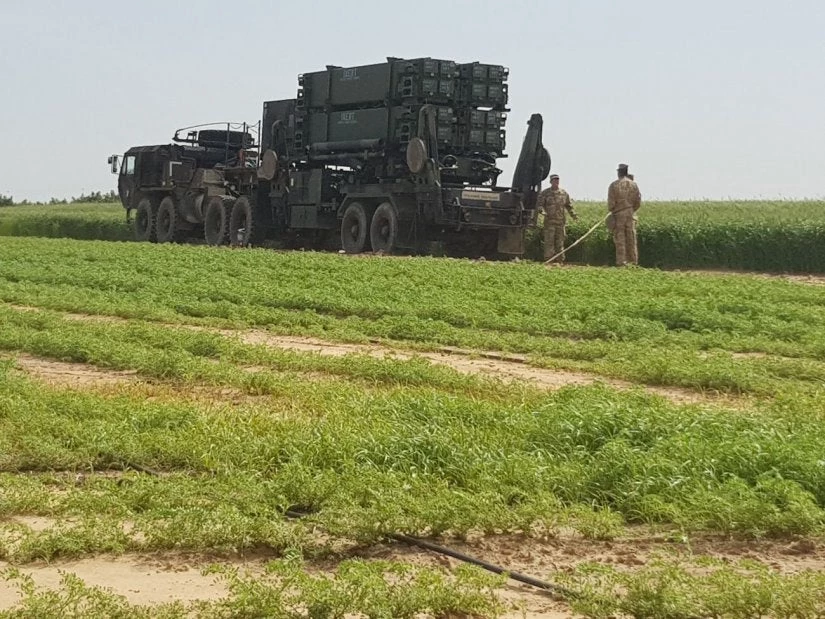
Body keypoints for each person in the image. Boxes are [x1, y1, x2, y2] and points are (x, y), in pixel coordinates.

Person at [536, 174, 578, 263]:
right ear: (551, 182)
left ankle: (560, 261)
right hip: (549, 222)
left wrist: (574, 216)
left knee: (560, 242)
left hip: (560, 222)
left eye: (557, 180)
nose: (556, 181)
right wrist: (542, 212)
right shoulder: (545, 193)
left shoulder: (563, 193)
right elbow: (540, 205)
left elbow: (569, 206)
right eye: (554, 180)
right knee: (549, 242)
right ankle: (549, 260)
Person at [607, 163, 642, 266]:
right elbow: (638, 201)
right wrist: (631, 209)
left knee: (620, 239)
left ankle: (621, 263)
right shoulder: (634, 185)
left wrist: (614, 210)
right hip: (631, 214)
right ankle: (633, 262)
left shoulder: (614, 185)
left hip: (619, 215)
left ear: (619, 173)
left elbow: (611, 204)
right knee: (631, 238)